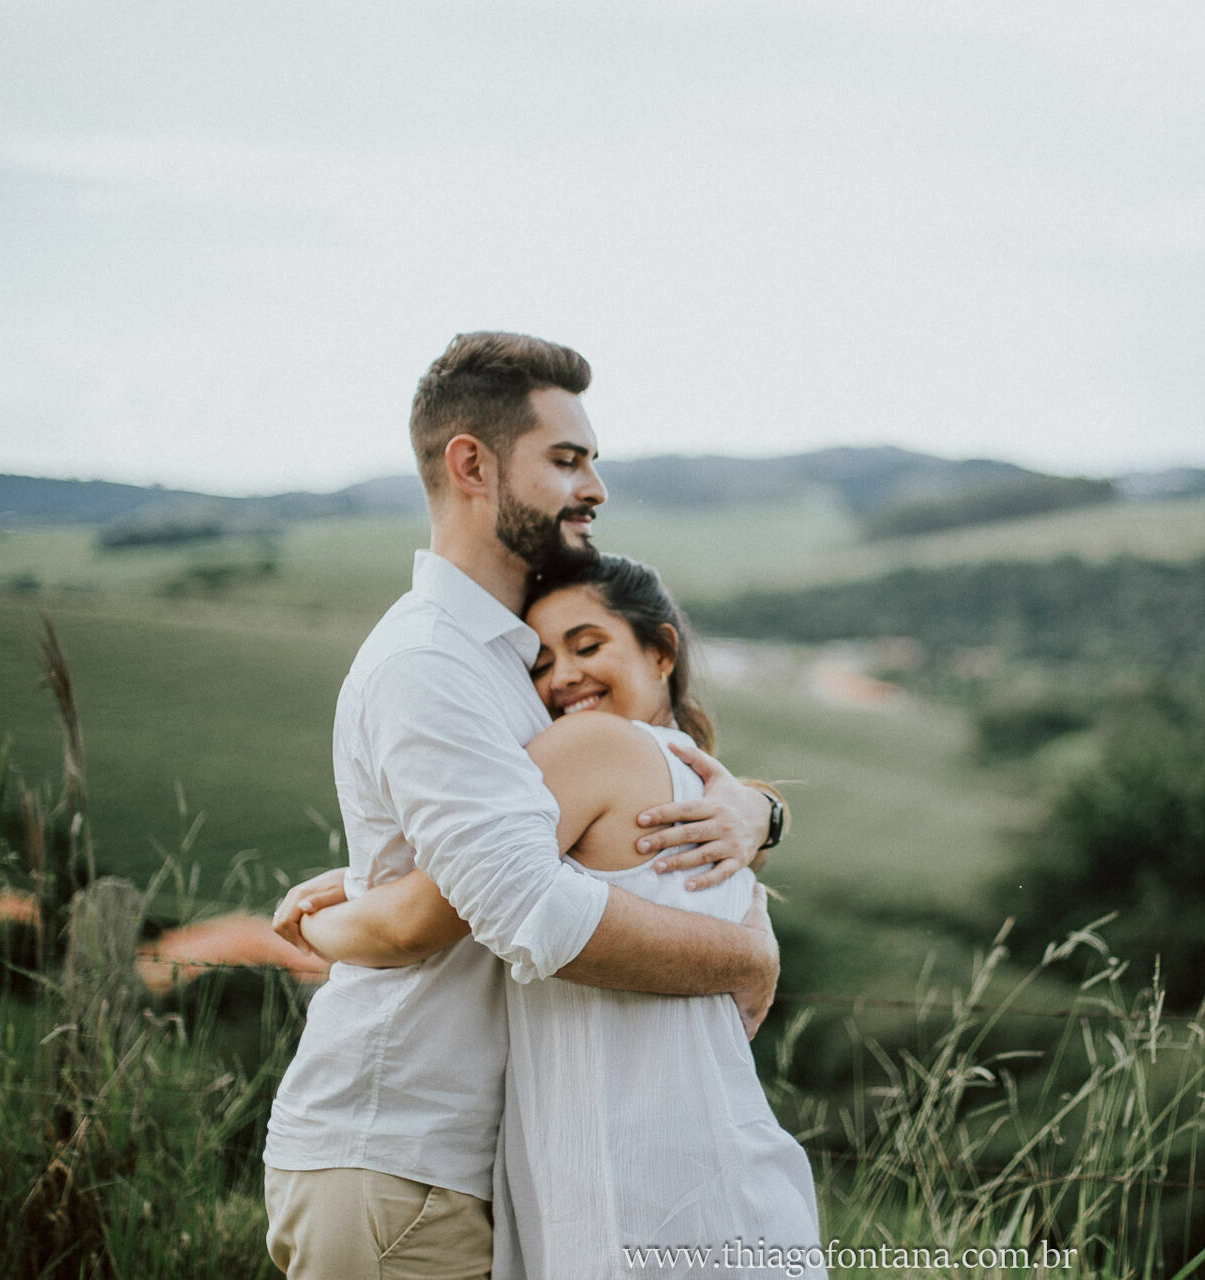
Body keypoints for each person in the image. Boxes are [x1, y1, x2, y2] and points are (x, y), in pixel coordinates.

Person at [262, 333, 785, 1280]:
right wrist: (744, 954)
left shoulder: (515, 671)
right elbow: (525, 909)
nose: (594, 488)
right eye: (567, 459)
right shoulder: (433, 665)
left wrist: (756, 811)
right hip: (401, 1155)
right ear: (473, 464)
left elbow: (495, 854)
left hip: (484, 1166)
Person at [295, 554, 823, 1279]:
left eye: (587, 645)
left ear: (661, 651)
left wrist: (311, 923)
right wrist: (767, 812)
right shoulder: (701, 783)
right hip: (717, 1175)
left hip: (633, 1188)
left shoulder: (591, 745)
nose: (561, 677)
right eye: (540, 664)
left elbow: (423, 912)